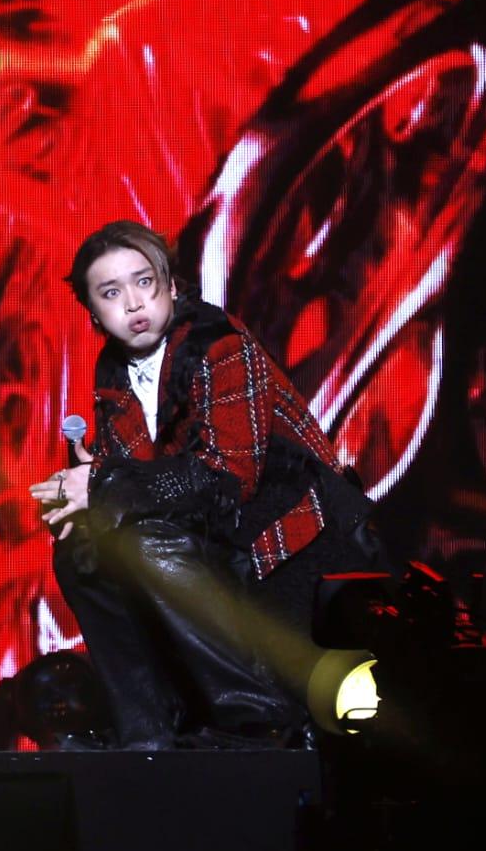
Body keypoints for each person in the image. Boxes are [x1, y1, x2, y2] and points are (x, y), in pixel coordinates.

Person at [30, 220, 378, 749]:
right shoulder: (114, 371)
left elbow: (229, 477)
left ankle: (257, 718)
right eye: (111, 292)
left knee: (143, 541)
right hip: (204, 540)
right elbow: (138, 478)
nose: (133, 303)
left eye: (144, 282)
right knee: (81, 551)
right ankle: (147, 733)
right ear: (93, 312)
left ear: (170, 286)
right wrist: (87, 499)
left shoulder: (217, 345)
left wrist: (102, 486)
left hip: (285, 535)